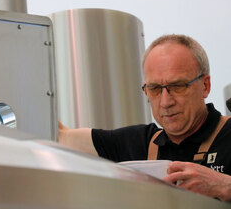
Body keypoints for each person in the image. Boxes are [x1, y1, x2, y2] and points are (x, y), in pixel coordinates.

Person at [58, 34, 231, 202]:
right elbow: (60, 135)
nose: (165, 102)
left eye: (177, 86)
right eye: (155, 89)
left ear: (205, 86)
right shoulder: (137, 143)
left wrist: (224, 185)